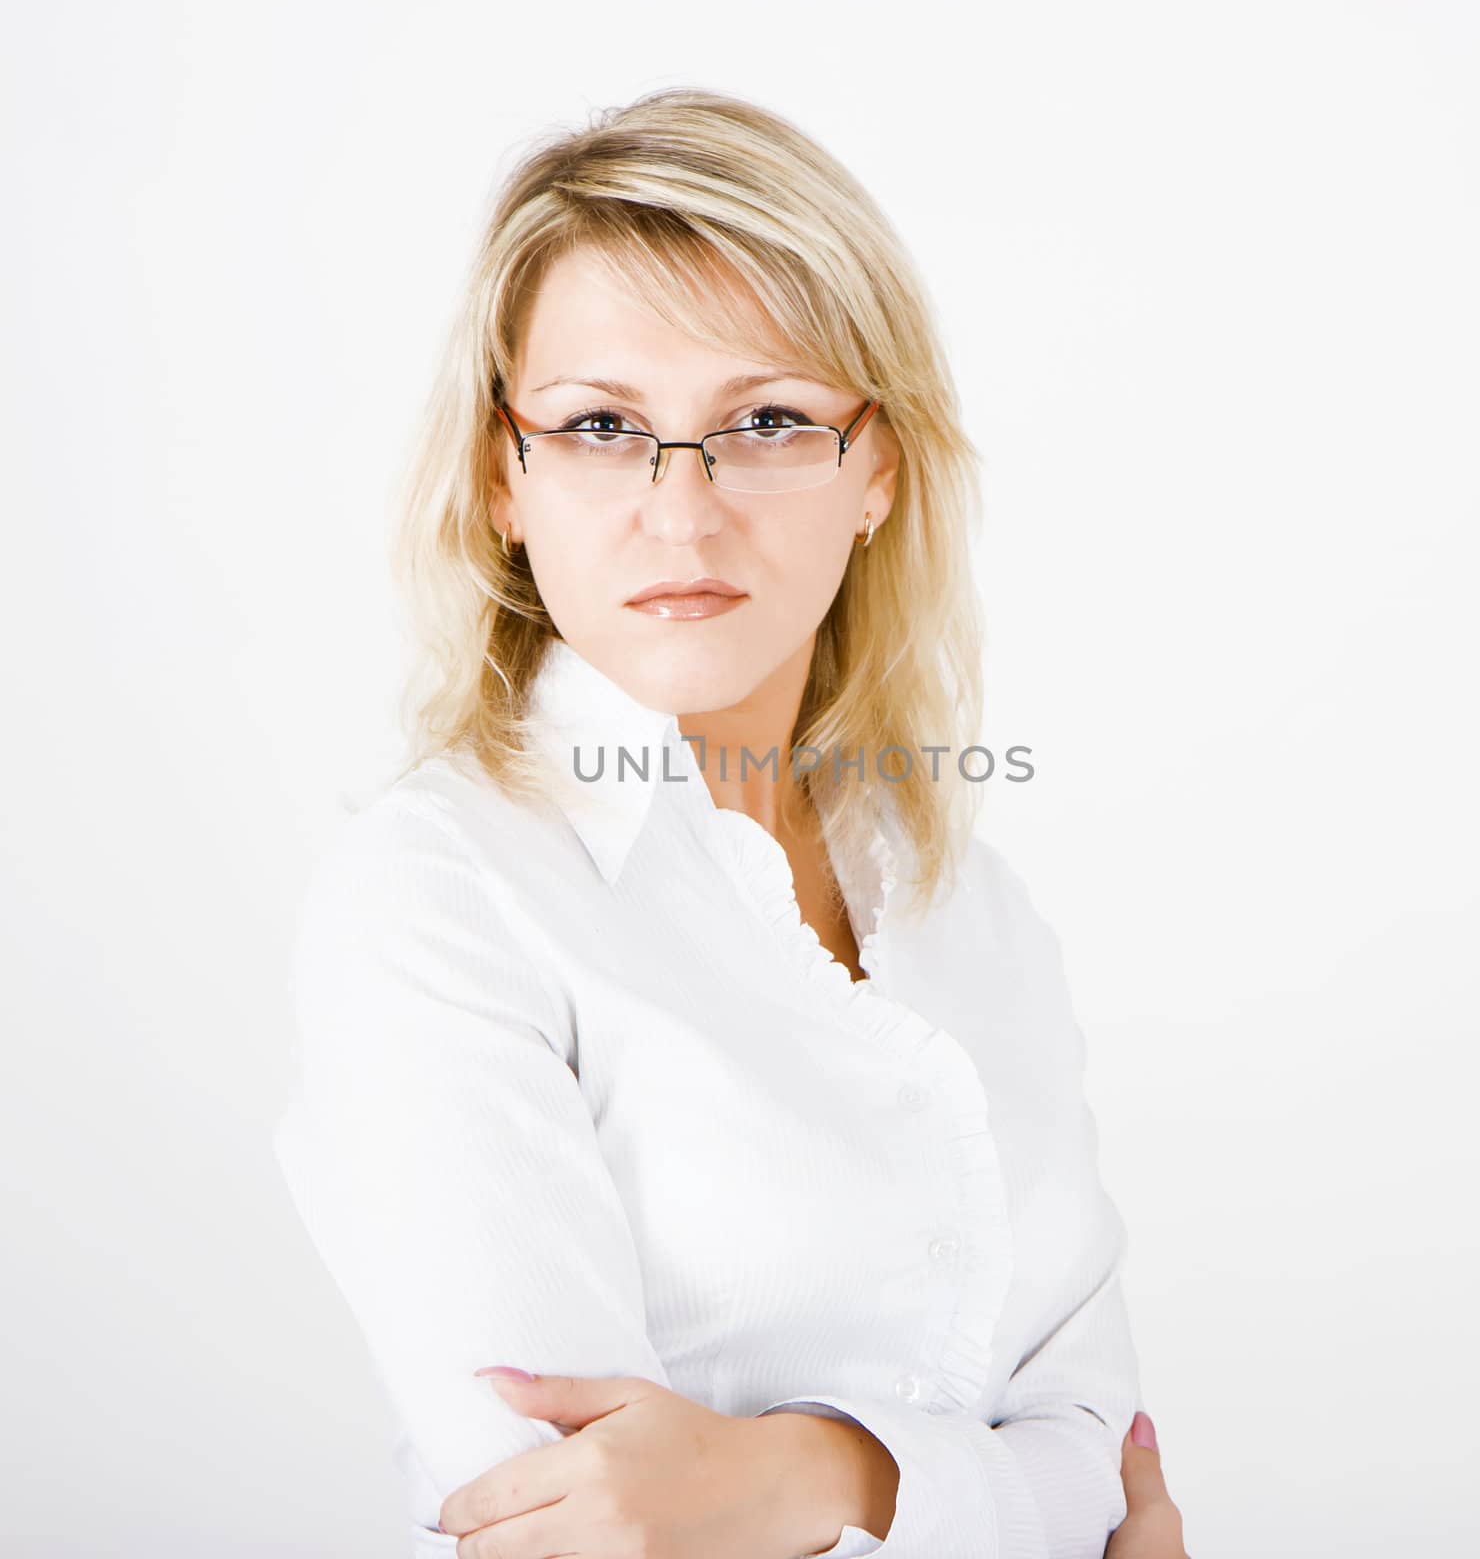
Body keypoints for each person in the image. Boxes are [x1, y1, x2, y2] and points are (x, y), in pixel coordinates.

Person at [272, 86, 1187, 1559]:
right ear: (505, 477)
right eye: (599, 426)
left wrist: (820, 1484)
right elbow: (575, 1516)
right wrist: (979, 1494)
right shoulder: (436, 897)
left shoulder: (973, 908)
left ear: (877, 464)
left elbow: (1102, 1453)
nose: (680, 514)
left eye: (765, 421)